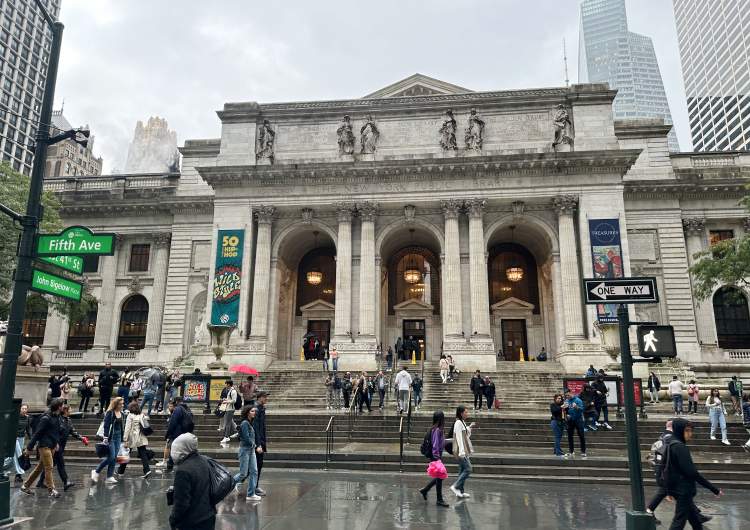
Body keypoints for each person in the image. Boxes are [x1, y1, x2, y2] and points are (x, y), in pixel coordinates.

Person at [663, 418, 722, 530]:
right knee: (678, 522)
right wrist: (713, 488)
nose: (690, 434)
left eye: (691, 431)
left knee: (695, 520)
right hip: (684, 490)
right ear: (680, 430)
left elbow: (667, 469)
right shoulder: (680, 447)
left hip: (678, 489)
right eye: (687, 431)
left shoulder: (671, 444)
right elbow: (692, 473)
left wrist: (669, 490)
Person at [169, 433, 216, 530]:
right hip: (209, 517)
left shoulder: (183, 470)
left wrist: (173, 520)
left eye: (176, 448)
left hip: (192, 522)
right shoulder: (205, 461)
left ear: (183, 449)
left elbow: (181, 504)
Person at [37, 403, 88, 491]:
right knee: (61, 464)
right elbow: (54, 432)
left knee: (51, 464)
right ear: (65, 410)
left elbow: (73, 431)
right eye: (70, 409)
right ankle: (66, 482)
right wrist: (55, 443)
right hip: (55, 445)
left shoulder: (68, 420)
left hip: (61, 446)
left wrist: (81, 438)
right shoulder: (58, 419)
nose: (71, 411)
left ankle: (40, 481)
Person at [20, 398, 63, 498]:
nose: (63, 407)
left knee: (39, 468)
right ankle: (52, 490)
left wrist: (56, 443)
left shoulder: (57, 416)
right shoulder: (46, 418)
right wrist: (29, 448)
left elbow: (55, 432)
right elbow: (37, 434)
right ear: (58, 407)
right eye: (62, 405)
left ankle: (25, 486)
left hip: (52, 445)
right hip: (44, 446)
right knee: (49, 467)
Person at [418, 410, 449, 507]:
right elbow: (435, 445)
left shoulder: (434, 428)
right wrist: (437, 458)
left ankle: (426, 490)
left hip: (436, 455)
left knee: (439, 477)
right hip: (436, 456)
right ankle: (438, 499)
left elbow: (440, 442)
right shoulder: (437, 430)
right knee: (440, 476)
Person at [92, 396, 125, 485]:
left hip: (118, 437)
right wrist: (105, 437)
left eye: (123, 403)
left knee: (114, 458)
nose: (123, 405)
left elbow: (122, 426)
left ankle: (109, 476)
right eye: (121, 404)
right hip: (110, 437)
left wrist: (124, 438)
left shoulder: (122, 413)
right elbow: (106, 425)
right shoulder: (110, 413)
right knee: (112, 457)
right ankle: (96, 471)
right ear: (116, 404)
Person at [117, 401, 152, 479]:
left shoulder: (130, 416)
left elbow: (127, 428)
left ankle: (121, 471)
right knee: (143, 454)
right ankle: (147, 470)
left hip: (132, 438)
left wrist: (125, 439)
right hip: (140, 437)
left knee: (126, 453)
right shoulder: (141, 415)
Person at [233, 405, 261, 502]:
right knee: (243, 474)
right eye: (252, 411)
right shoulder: (245, 423)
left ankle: (251, 494)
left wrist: (254, 446)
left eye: (254, 411)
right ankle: (228, 484)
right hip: (245, 450)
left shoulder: (250, 423)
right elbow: (245, 437)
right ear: (248, 412)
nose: (254, 412)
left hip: (251, 450)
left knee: (254, 471)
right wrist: (255, 446)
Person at [160, 396, 194, 473]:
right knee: (184, 450)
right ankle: (184, 466)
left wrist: (168, 434)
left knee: (173, 449)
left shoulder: (178, 409)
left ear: (176, 402)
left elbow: (173, 423)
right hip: (186, 433)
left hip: (177, 433)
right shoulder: (187, 409)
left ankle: (170, 466)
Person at [450, 406, 474, 499]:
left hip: (464, 450)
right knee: (468, 469)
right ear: (461, 413)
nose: (467, 414)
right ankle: (455, 486)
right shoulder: (458, 423)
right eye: (466, 412)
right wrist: (461, 452)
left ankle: (460, 491)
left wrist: (470, 427)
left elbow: (466, 434)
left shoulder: (462, 422)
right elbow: (459, 438)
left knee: (461, 470)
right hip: (461, 451)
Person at [11, 403, 32, 483]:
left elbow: (28, 428)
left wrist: (31, 439)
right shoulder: (15, 417)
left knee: (19, 455)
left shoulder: (28, 418)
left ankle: (18, 475)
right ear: (19, 409)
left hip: (22, 438)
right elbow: (11, 427)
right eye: (22, 408)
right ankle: (19, 472)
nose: (24, 410)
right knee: (18, 454)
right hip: (14, 438)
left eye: (25, 409)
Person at [563, 388, 586, 458]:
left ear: (571, 392)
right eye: (566, 396)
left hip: (578, 420)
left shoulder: (578, 400)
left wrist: (576, 407)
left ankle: (583, 451)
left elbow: (582, 409)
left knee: (581, 435)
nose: (567, 397)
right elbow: (566, 411)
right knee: (570, 436)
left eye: (568, 395)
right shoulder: (566, 401)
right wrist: (566, 413)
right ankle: (571, 451)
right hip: (570, 420)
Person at [254, 391, 269, 497]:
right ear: (259, 398)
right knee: (256, 466)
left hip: (261, 441)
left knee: (258, 465)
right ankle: (253, 487)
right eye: (264, 397)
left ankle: (255, 486)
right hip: (258, 442)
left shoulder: (261, 409)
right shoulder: (256, 410)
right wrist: (258, 444)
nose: (266, 399)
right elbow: (256, 428)